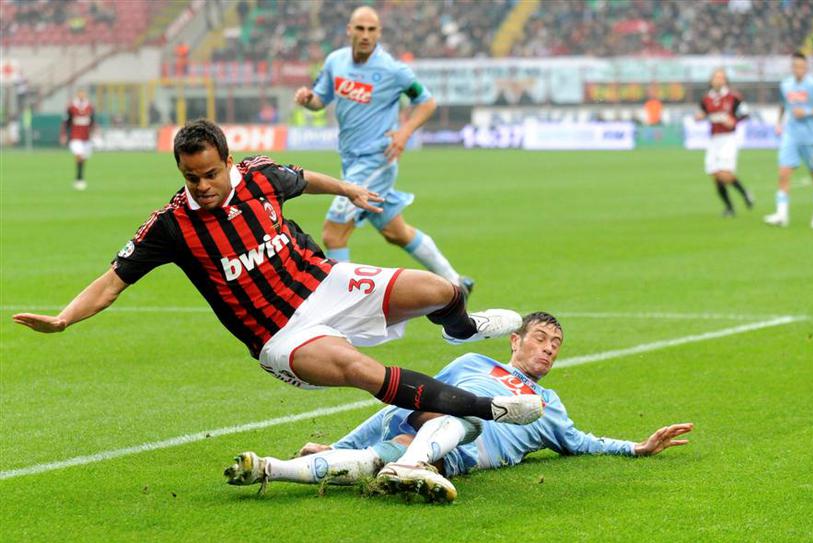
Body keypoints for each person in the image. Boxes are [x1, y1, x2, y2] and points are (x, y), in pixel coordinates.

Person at [12, 119, 543, 427]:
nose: (202, 186)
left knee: (441, 290)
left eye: (210, 173)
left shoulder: (261, 176)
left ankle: (461, 329)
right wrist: (64, 319)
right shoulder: (171, 226)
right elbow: (111, 283)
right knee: (361, 370)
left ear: (229, 161)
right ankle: (491, 409)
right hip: (280, 335)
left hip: (324, 283)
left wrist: (347, 189)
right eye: (191, 178)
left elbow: (303, 179)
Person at [225, 312, 694, 503]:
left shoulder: (547, 405)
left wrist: (636, 447)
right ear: (515, 341)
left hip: (449, 449)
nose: (549, 348)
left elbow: (580, 443)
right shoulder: (473, 362)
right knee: (464, 411)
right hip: (436, 429)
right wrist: (339, 441)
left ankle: (268, 468)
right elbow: (404, 402)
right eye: (541, 338)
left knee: (375, 459)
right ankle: (410, 465)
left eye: (556, 344)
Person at [293, 6, 473, 295]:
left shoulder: (392, 70)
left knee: (333, 233)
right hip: (351, 161)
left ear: (379, 33)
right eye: (360, 29)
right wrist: (308, 99)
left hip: (377, 159)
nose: (365, 35)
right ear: (349, 30)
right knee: (395, 231)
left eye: (371, 30)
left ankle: (344, 304)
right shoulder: (335, 61)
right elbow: (320, 100)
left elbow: (427, 102)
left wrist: (404, 133)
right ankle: (456, 282)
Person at [764, 52, 813, 230]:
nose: (798, 69)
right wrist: (779, 122)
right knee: (783, 172)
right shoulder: (786, 85)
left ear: (806, 67)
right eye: (795, 66)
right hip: (791, 135)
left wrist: (807, 112)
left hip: (810, 137)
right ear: (792, 67)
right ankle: (781, 214)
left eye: (801, 66)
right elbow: (783, 105)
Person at [694, 68, 754, 217]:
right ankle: (729, 207)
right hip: (713, 139)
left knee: (724, 174)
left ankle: (745, 192)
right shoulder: (706, 98)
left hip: (728, 138)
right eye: (716, 77)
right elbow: (703, 113)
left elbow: (746, 113)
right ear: (711, 80)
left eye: (721, 77)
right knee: (715, 175)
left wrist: (735, 120)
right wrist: (700, 117)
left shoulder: (733, 97)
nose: (718, 80)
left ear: (725, 80)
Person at [60, 89, 94, 191]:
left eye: (83, 94)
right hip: (75, 137)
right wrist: (63, 134)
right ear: (77, 95)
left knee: (83, 158)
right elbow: (66, 121)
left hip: (86, 137)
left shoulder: (89, 106)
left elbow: (92, 120)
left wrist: (94, 131)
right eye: (80, 94)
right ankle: (79, 178)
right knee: (78, 156)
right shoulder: (72, 107)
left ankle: (80, 177)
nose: (82, 95)